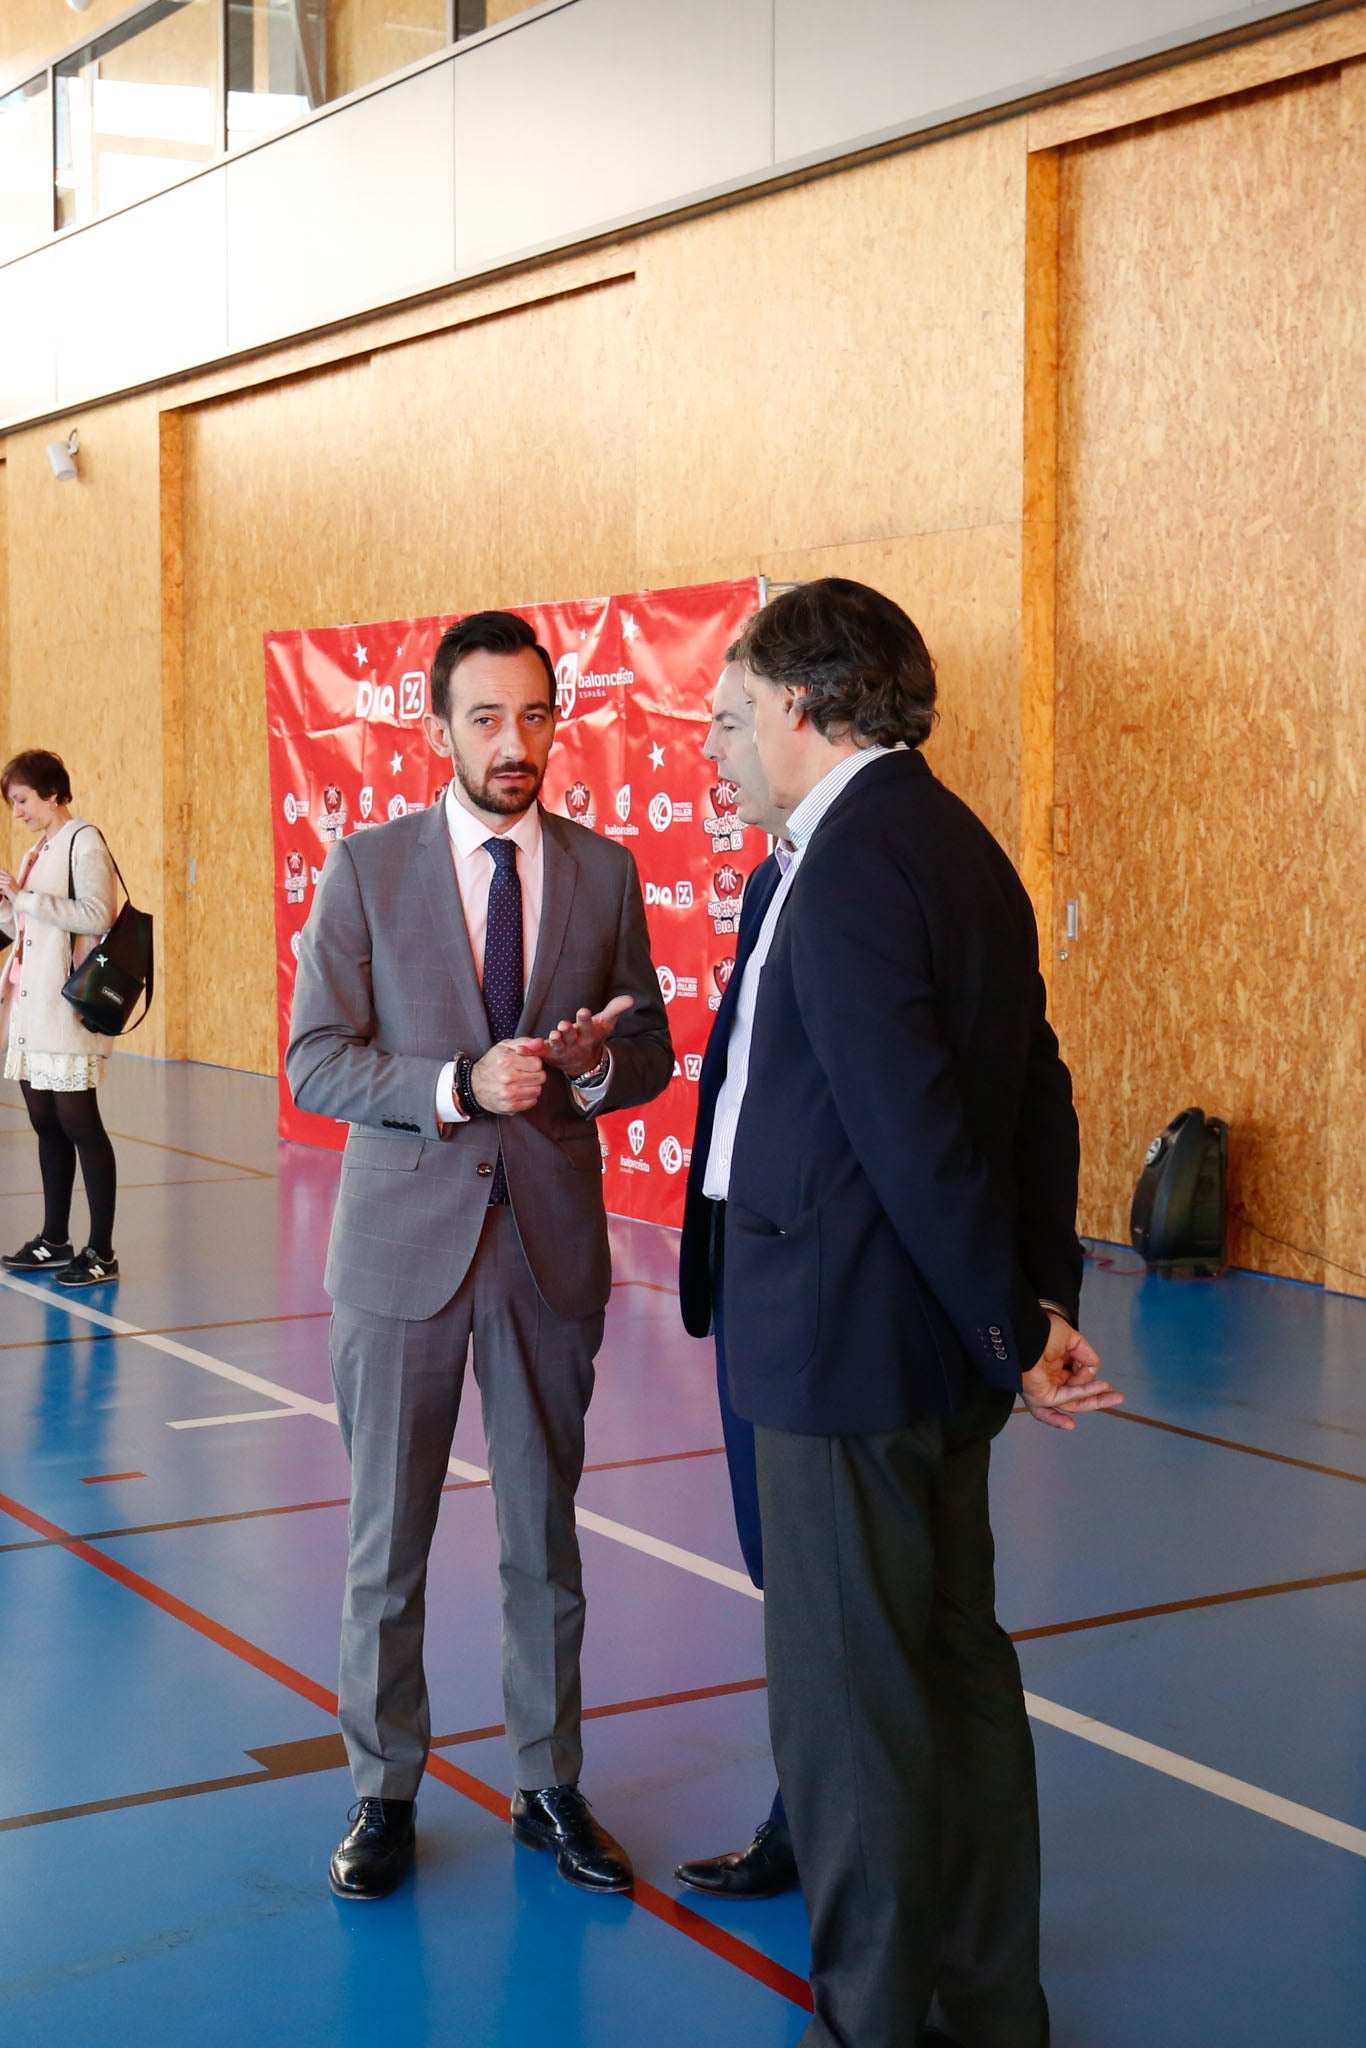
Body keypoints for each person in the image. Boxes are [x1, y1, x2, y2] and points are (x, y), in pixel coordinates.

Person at [721, 579, 1122, 2048]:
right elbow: (1036, 1096)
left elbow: (910, 1132)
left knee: (850, 1719)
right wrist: (1030, 1303)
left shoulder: (841, 866)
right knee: (953, 1674)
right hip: (932, 1350)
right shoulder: (956, 847)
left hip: (847, 1355)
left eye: (743, 705)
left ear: (802, 704)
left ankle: (870, 2023)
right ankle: (984, 2002)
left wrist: (1013, 1334)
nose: (735, 736)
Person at [286, 610, 673, 1903]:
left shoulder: (605, 870)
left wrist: (589, 1065)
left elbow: (652, 1047)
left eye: (536, 716)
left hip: (549, 1253)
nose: (517, 745)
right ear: (437, 726)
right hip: (401, 1252)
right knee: (385, 1544)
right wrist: (459, 1082)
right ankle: (382, 1793)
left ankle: (547, 1783)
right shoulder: (367, 870)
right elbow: (316, 1059)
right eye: (488, 719)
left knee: (541, 1538)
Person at [672, 657, 799, 1902]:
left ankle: (826, 1824)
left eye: (725, 719)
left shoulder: (859, 878)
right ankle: (809, 1802)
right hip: (751, 1279)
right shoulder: (772, 876)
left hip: (821, 1305)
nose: (710, 746)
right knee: (782, 1567)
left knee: (830, 1583)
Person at [0, 750, 121, 1287]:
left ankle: (101, 1251)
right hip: (32, 1013)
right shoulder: (38, 849)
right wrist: (10, 902)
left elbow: (99, 914)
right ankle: (55, 1239)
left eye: (22, 801)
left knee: (80, 1125)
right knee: (45, 1124)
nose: (17, 812)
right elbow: (27, 927)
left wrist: (26, 898)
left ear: (52, 794)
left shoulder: (83, 840)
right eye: (12, 804)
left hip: (66, 1013)